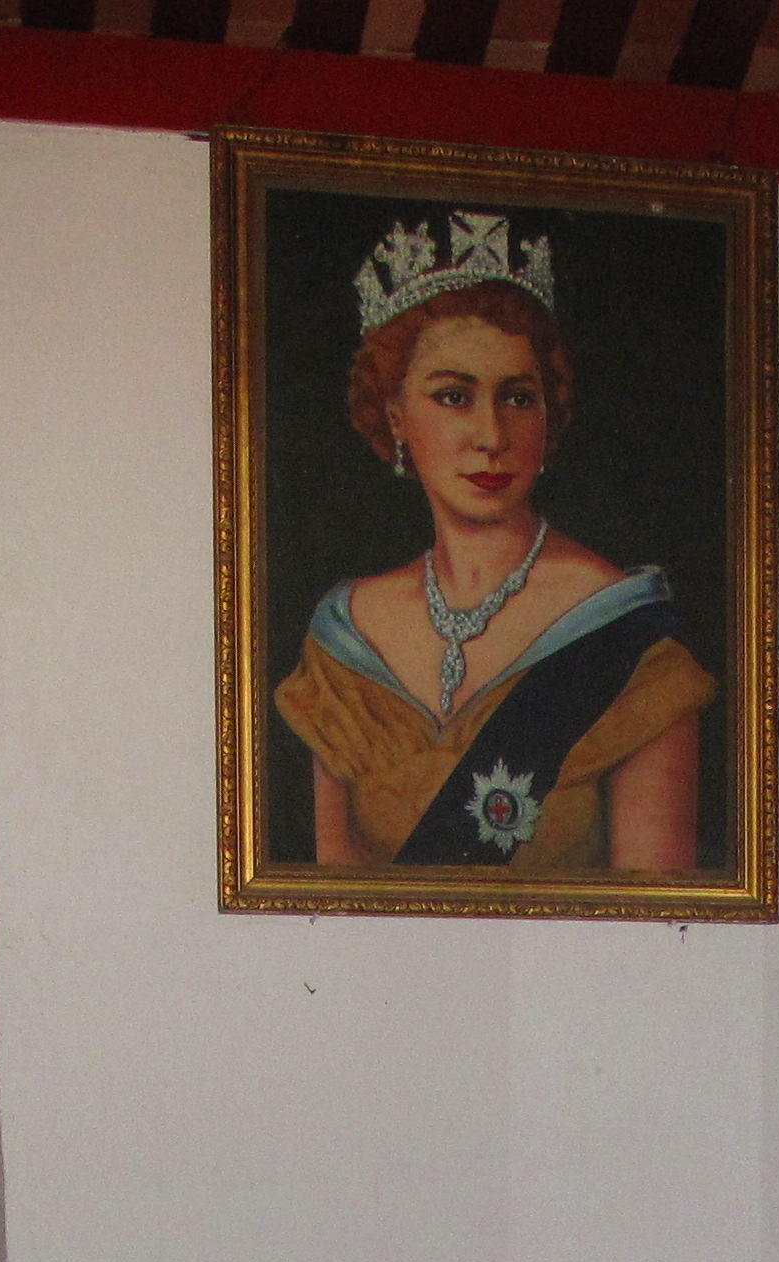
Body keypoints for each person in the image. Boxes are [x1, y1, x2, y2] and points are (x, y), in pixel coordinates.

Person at [274, 212, 716, 875]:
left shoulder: (628, 637)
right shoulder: (343, 638)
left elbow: (655, 927)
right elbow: (331, 912)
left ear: (551, 415)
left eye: (517, 398)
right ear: (396, 416)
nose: (490, 435)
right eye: (454, 396)